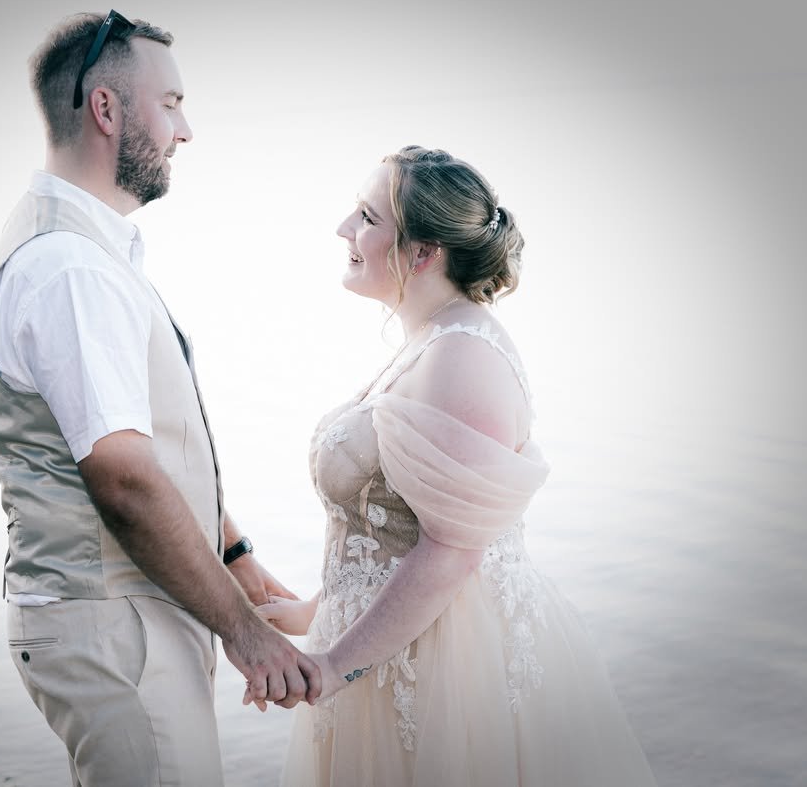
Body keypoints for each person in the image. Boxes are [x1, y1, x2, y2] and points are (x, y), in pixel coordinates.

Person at [0, 11, 319, 786]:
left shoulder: (82, 252)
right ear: (105, 109)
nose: (185, 130)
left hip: (128, 610)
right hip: (110, 618)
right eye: (170, 104)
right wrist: (246, 632)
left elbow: (152, 444)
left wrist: (237, 561)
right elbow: (124, 478)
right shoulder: (72, 270)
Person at [254, 146, 657, 785]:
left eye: (366, 216)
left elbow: (448, 552)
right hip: (391, 652)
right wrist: (313, 612)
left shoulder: (462, 355)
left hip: (450, 671)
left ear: (422, 252)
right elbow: (394, 524)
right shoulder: (430, 341)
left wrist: (333, 666)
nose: (343, 230)